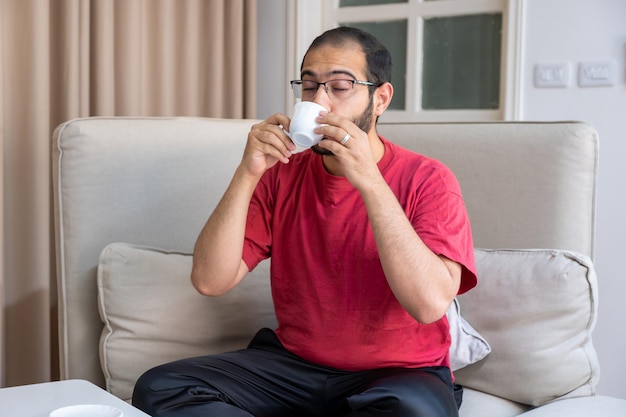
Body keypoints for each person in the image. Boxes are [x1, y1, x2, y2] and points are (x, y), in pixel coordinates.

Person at [132, 26, 477, 417]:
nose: (320, 101)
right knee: (162, 387)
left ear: (380, 98)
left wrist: (369, 180)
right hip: (294, 367)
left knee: (416, 413)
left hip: (398, 373)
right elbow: (210, 280)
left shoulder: (429, 179)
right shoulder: (281, 174)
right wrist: (247, 172)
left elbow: (429, 305)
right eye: (309, 86)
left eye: (340, 86)